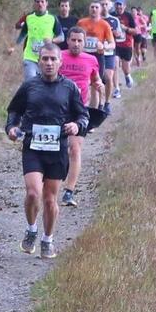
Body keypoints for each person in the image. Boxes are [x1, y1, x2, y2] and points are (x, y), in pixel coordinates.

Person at [4, 41, 88, 260]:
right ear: (39, 62)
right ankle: (32, 230)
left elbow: (83, 115)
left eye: (53, 59)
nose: (49, 63)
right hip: (33, 147)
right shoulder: (29, 86)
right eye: (45, 59)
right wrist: (12, 128)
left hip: (57, 149)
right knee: (33, 193)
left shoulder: (69, 88)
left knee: (50, 199)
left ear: (60, 62)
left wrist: (77, 126)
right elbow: (14, 111)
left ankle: (47, 240)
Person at [56, 34, 108, 210]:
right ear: (68, 41)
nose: (76, 44)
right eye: (73, 40)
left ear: (84, 43)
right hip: (57, 109)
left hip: (80, 110)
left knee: (75, 148)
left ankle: (69, 191)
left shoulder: (91, 59)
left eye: (80, 41)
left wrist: (100, 89)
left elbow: (96, 81)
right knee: (59, 149)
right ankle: (55, 180)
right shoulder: (59, 56)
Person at [8, 0, 59, 80]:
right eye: (37, 2)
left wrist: (52, 40)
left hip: (46, 58)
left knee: (44, 83)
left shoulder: (52, 18)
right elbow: (22, 34)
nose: (40, 4)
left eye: (42, 2)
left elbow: (61, 36)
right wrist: (13, 46)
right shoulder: (29, 17)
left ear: (47, 3)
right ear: (34, 4)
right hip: (30, 57)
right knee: (31, 81)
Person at [77, 1, 119, 101]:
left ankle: (101, 105)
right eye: (92, 7)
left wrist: (104, 46)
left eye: (96, 7)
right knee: (84, 83)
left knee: (96, 84)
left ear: (100, 10)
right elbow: (75, 38)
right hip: (84, 56)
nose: (94, 9)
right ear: (89, 9)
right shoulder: (81, 23)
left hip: (97, 57)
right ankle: (83, 107)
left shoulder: (105, 24)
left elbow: (112, 44)